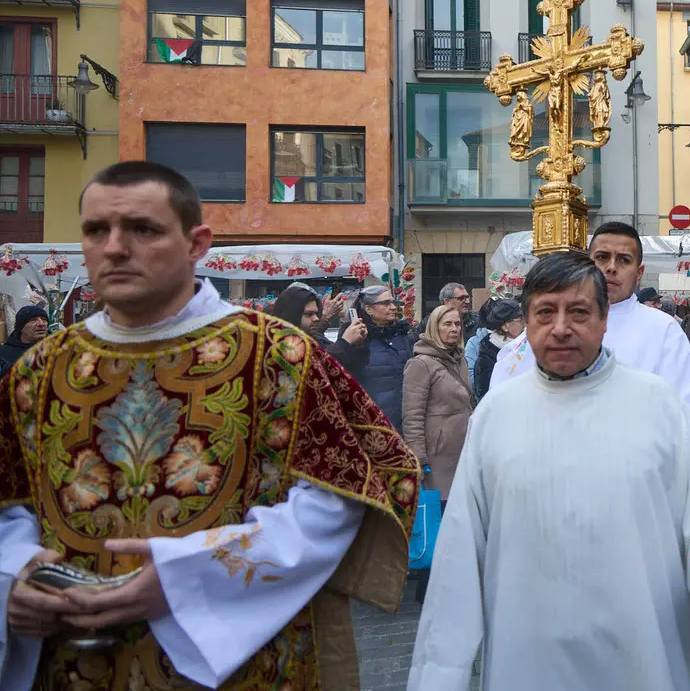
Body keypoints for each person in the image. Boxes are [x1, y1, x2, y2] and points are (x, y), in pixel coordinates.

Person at [0, 161, 419, 690]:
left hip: (243, 661)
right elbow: (9, 505)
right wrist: (13, 575)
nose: (114, 247)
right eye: (96, 231)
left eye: (143, 229)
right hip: (69, 655)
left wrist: (187, 580)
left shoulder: (279, 354)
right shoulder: (38, 371)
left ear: (197, 243)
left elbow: (338, 498)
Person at [408, 252, 690, 691]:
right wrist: (441, 675)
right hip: (529, 653)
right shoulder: (496, 414)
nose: (562, 327)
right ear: (525, 325)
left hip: (640, 646)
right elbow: (459, 555)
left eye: (580, 312)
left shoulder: (657, 403)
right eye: (545, 312)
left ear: (605, 320)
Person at [489, 222, 690, 407]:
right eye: (602, 257)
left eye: (624, 260)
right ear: (589, 264)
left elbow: (677, 407)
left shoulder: (663, 329)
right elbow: (506, 388)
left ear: (639, 273)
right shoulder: (554, 323)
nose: (611, 268)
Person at [402, 304, 473, 602]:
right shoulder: (422, 363)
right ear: (434, 327)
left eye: (457, 324)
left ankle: (450, 580)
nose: (454, 329)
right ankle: (428, 586)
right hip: (437, 454)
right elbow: (412, 415)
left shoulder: (458, 359)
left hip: (462, 451)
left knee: (456, 519)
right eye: (447, 324)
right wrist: (418, 456)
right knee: (438, 520)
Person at [341, 285, 416, 432]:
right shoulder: (356, 338)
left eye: (394, 302)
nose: (393, 307)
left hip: (405, 423)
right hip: (372, 424)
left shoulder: (402, 335)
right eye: (386, 303)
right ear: (369, 309)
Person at [269, 284, 366, 367]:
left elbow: (351, 368)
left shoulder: (315, 337)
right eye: (309, 314)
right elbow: (317, 367)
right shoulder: (275, 342)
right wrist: (345, 342)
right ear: (292, 314)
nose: (316, 318)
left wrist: (357, 343)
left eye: (316, 313)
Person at [473, 299, 524, 402]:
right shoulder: (487, 357)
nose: (525, 323)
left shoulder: (526, 346)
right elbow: (485, 399)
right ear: (505, 326)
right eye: (519, 319)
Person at [0, 305, 48, 376]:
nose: (41, 324)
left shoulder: (57, 348)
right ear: (21, 328)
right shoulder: (3, 354)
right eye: (33, 320)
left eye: (44, 320)